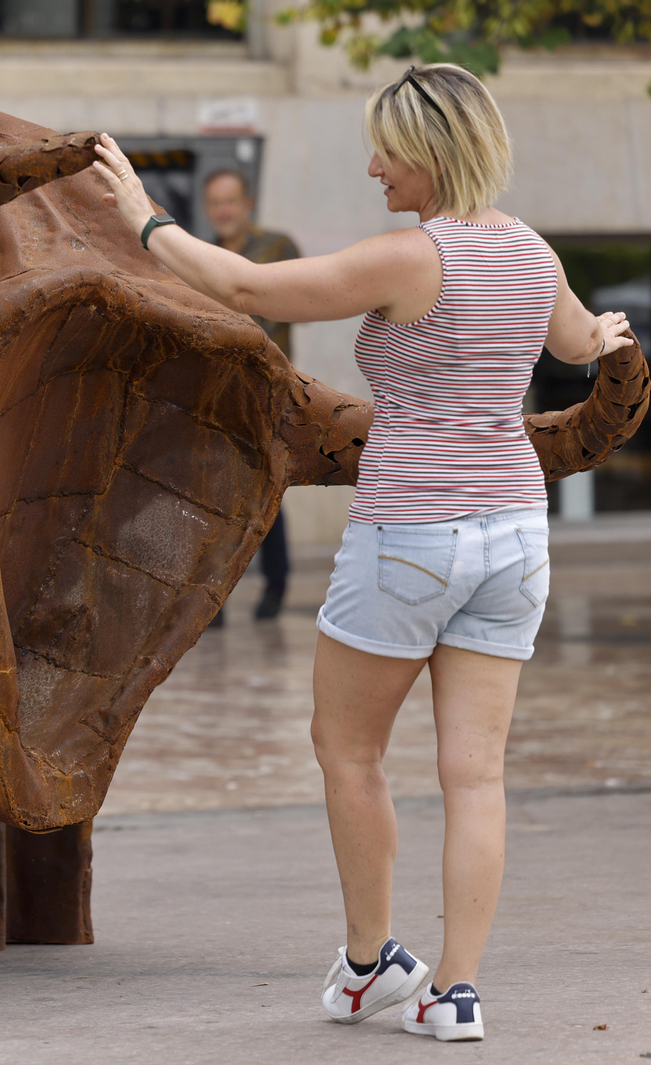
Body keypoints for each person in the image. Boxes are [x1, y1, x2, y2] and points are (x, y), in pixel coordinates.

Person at [92, 64, 633, 1043]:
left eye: (386, 148)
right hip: (514, 532)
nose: (373, 166)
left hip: (410, 535)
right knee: (475, 776)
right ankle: (456, 991)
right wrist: (610, 338)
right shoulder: (530, 253)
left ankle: (370, 963)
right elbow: (577, 340)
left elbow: (247, 284)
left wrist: (140, 214)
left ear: (429, 152)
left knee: (346, 750)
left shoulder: (407, 257)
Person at [203, 168, 298, 620]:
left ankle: (275, 586)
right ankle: (213, 604)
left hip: (265, 397)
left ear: (248, 204)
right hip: (215, 400)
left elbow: (268, 325)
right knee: (212, 499)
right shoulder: (203, 258)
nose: (224, 211)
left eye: (231, 201)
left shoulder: (276, 248)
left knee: (267, 495)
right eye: (216, 203)